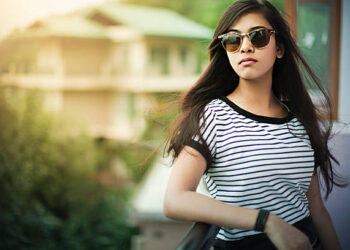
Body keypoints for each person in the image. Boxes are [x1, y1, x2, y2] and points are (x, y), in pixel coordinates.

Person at [163, 0, 344, 249]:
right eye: (233, 40)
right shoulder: (213, 116)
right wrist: (266, 221)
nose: (245, 47)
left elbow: (316, 208)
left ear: (279, 47)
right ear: (225, 50)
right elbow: (175, 200)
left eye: (258, 37)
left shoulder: (299, 119)